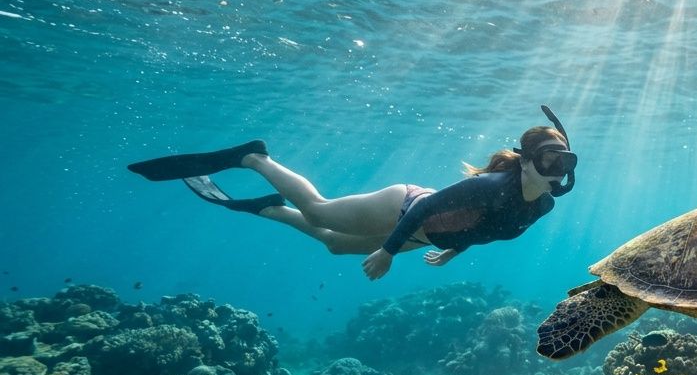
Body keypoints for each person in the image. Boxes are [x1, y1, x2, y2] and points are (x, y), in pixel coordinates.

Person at [128, 106, 577, 280]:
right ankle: (254, 158)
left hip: (422, 237)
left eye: (565, 162)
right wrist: (387, 251)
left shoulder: (542, 205)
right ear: (525, 159)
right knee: (319, 211)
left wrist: (451, 252)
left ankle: (269, 209)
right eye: (549, 159)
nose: (557, 171)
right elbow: (429, 205)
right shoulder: (490, 185)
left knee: (333, 245)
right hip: (405, 205)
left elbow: (489, 229)